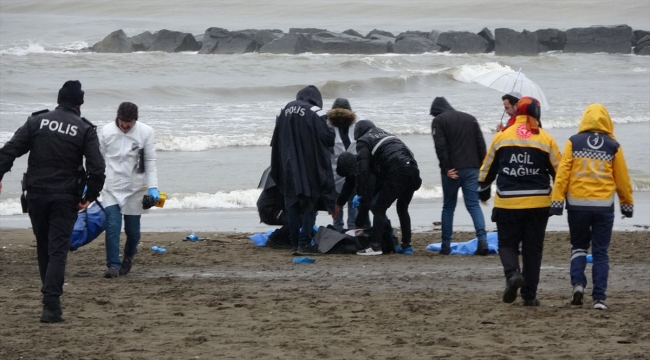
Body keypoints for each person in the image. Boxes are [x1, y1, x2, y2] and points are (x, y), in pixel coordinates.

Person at [0, 80, 105, 323]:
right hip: (65, 198)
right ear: (79, 104)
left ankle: (50, 298)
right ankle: (51, 304)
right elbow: (97, 167)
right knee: (58, 248)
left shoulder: (36, 121)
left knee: (44, 245)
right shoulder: (85, 128)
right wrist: (90, 196)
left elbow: (10, 150)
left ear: (59, 100)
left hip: (36, 195)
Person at [478, 96, 561, 307]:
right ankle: (529, 296)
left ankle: (512, 274)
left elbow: (487, 169)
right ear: (536, 114)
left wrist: (484, 191)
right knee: (533, 250)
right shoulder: (545, 139)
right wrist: (560, 199)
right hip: (538, 205)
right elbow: (559, 172)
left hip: (508, 203)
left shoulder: (502, 137)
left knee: (507, 244)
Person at [550, 104, 634, 310]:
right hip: (603, 207)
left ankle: (578, 284)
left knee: (578, 246)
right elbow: (622, 178)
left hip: (577, 205)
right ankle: (599, 298)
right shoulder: (613, 145)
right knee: (600, 252)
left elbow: (562, 174)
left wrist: (557, 201)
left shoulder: (573, 142)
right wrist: (626, 204)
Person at [270, 85, 336, 255]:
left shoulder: (284, 110)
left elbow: (275, 139)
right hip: (309, 166)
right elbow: (328, 137)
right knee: (310, 202)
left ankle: (293, 242)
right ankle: (304, 242)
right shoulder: (316, 111)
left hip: (287, 166)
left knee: (291, 202)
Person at [99, 102, 159, 278]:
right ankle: (113, 265)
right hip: (111, 187)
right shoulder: (106, 131)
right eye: (122, 121)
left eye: (129, 122)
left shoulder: (146, 132)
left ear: (135, 120)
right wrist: (91, 181)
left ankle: (129, 256)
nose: (125, 125)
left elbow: (150, 162)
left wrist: (153, 188)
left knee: (133, 232)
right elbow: (98, 159)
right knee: (112, 227)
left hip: (135, 188)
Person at [430, 97, 488, 256]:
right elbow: (481, 145)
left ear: (437, 111)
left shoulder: (439, 121)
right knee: (473, 205)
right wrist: (483, 168)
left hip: (452, 171)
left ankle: (446, 245)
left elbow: (440, 147)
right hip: (472, 169)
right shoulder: (470, 119)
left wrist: (446, 168)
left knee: (448, 206)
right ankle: (482, 241)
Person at [354, 120, 422, 255]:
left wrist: (360, 193)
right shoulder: (388, 136)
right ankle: (406, 246)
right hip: (413, 170)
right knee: (402, 208)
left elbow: (363, 170)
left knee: (378, 208)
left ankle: (375, 246)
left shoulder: (364, 141)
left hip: (398, 171)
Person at [327, 98, 358, 232]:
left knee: (350, 200)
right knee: (342, 200)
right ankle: (342, 228)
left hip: (349, 169)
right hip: (336, 170)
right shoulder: (328, 127)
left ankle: (347, 228)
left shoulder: (357, 125)